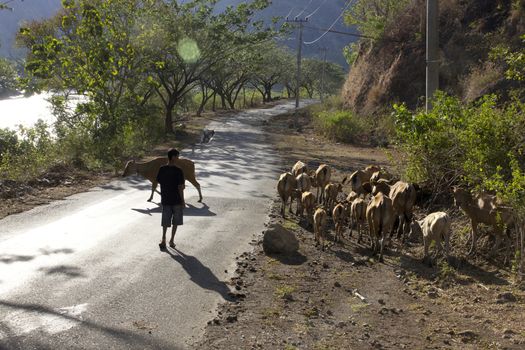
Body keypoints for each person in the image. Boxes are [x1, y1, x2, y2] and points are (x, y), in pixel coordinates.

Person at [156, 148, 185, 250]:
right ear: (173, 157)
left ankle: (163, 239)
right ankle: (171, 240)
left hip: (166, 199)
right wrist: (183, 201)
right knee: (175, 222)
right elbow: (181, 187)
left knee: (165, 221)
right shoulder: (178, 171)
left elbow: (159, 181)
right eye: (177, 156)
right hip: (176, 200)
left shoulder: (162, 169)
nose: (178, 158)